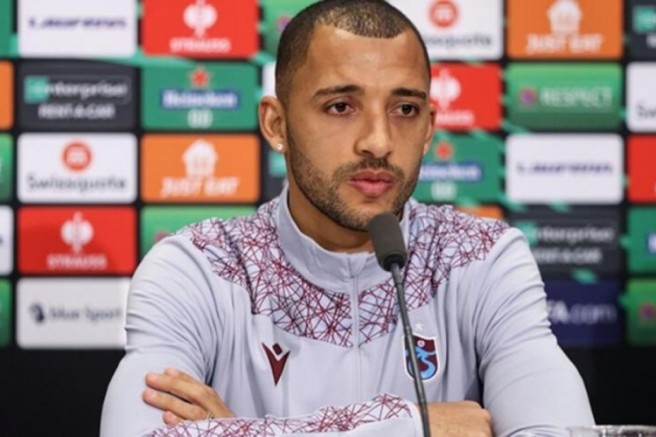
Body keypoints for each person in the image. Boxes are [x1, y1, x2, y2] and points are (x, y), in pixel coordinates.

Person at [100, 0, 595, 435]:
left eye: (405, 109)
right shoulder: (200, 267)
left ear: (429, 128)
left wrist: (238, 432)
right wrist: (410, 426)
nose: (378, 141)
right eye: (341, 106)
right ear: (277, 124)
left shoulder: (480, 259)